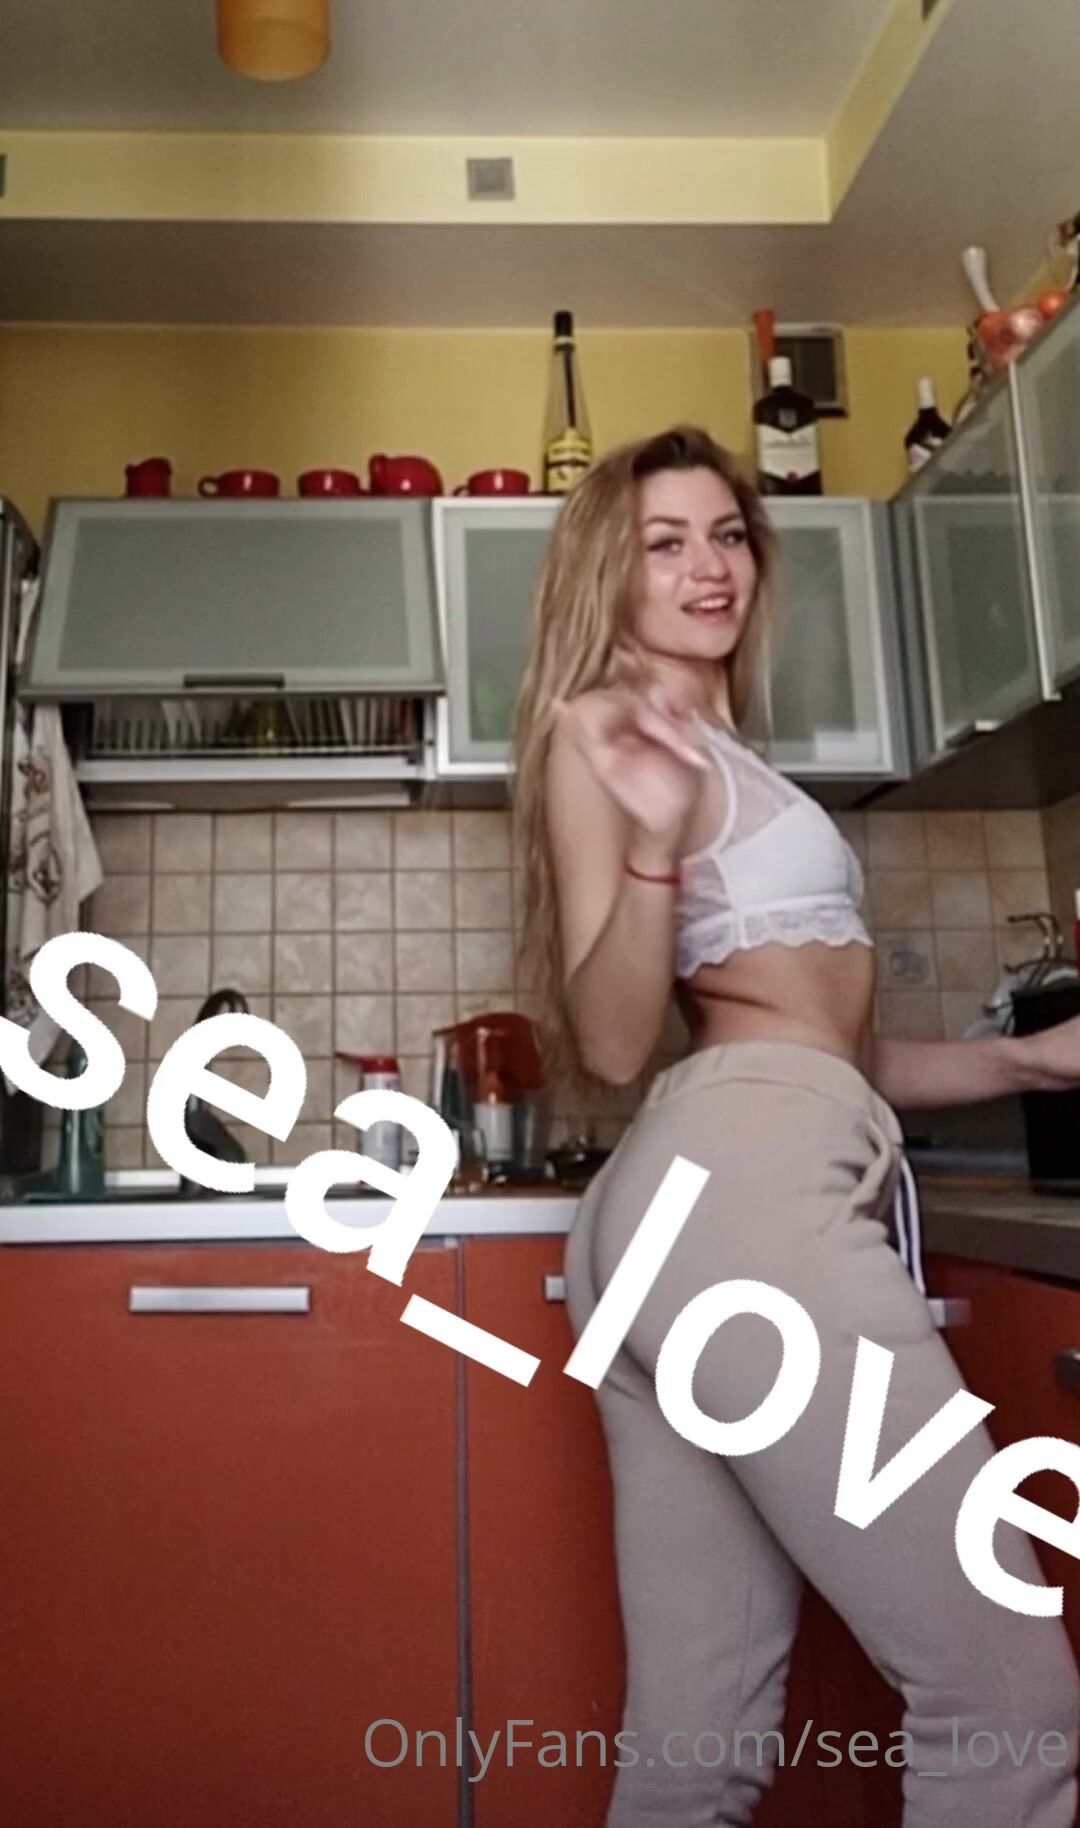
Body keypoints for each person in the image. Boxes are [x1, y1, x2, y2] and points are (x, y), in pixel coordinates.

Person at [511, 424, 1080, 1827]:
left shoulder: (711, 745)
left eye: (727, 535)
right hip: (745, 1198)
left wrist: (1031, 1061)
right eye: (664, 543)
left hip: (702, 1198)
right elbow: (614, 1039)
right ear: (608, 570)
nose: (709, 567)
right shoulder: (610, 730)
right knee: (1006, 1698)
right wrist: (654, 846)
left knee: (696, 1742)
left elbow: (811, 1038)